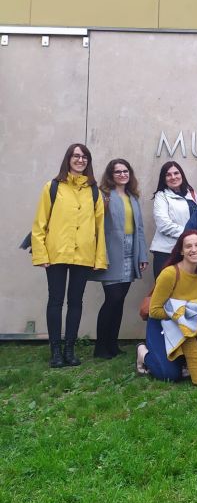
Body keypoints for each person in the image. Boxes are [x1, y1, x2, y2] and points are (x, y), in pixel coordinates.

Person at [31, 143, 107, 368]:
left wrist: (99, 258)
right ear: (68, 159)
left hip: (84, 254)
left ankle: (70, 349)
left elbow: (99, 227)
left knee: (76, 302)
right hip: (56, 253)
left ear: (88, 161)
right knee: (55, 301)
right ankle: (55, 351)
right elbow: (40, 223)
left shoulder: (94, 191)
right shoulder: (53, 187)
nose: (80, 160)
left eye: (84, 157)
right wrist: (41, 254)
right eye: (76, 156)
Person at [136, 230, 197, 384]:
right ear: (181, 251)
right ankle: (142, 353)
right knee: (169, 375)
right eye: (188, 246)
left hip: (187, 324)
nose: (194, 250)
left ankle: (181, 359)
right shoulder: (170, 273)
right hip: (162, 323)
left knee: (193, 365)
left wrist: (186, 318)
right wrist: (180, 314)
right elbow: (154, 311)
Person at [91, 158, 148, 359]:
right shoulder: (103, 195)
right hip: (111, 252)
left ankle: (112, 345)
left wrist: (142, 254)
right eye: (118, 172)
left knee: (119, 300)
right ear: (111, 175)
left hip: (131, 250)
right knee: (112, 298)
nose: (122, 174)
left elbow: (139, 228)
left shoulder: (133, 197)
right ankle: (100, 347)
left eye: (125, 171)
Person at [149, 161, 197, 278]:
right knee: (166, 288)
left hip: (187, 251)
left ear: (181, 174)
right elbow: (164, 224)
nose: (173, 177)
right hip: (166, 252)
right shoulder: (161, 195)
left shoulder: (191, 193)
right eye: (168, 175)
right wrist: (189, 234)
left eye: (176, 173)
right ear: (164, 178)